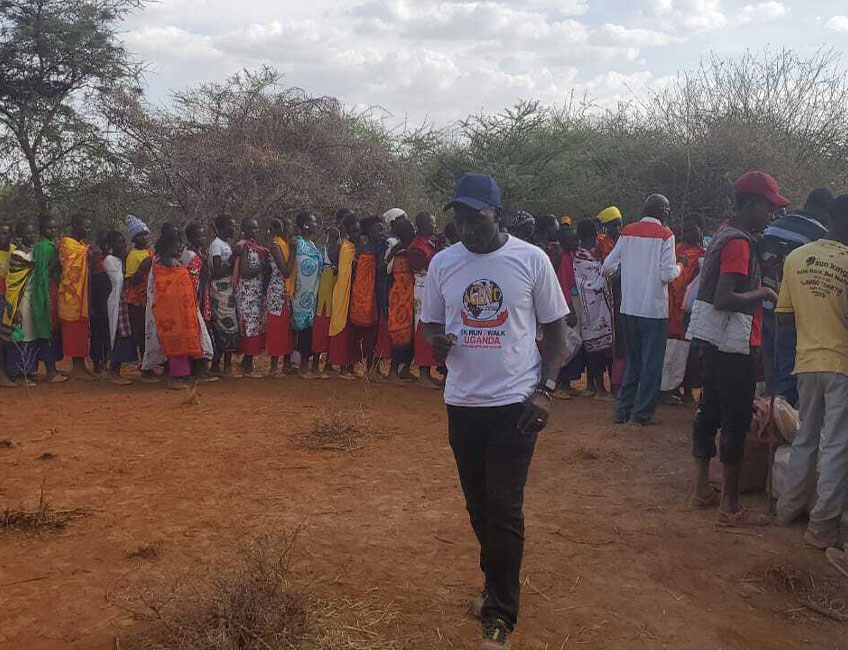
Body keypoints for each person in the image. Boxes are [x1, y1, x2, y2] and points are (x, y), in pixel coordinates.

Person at [421, 173, 571, 650]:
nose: (466, 226)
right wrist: (436, 340)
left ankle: (499, 617)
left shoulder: (531, 260)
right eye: (459, 217)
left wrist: (545, 390)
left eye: (476, 216)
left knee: (504, 509)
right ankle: (494, 586)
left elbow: (558, 332)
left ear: (497, 213)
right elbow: (429, 323)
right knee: (479, 507)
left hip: (515, 405)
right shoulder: (445, 263)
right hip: (463, 404)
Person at [687, 171, 787, 526]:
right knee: (735, 419)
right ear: (751, 204)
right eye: (768, 207)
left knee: (709, 410)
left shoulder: (725, 235)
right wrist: (763, 293)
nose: (771, 215)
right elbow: (725, 297)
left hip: (714, 340)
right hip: (735, 344)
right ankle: (729, 506)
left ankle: (701, 489)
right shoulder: (740, 243)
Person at [774, 194, 848, 548]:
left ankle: (787, 510)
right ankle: (822, 527)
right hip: (841, 368)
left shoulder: (796, 258)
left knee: (806, 437)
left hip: (806, 364)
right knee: (835, 445)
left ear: (828, 217)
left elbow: (783, 317)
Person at [603, 194, 681, 426]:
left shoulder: (627, 231)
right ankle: (641, 414)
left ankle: (622, 411)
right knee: (651, 364)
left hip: (629, 308)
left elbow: (608, 266)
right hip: (654, 310)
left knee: (633, 361)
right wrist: (680, 267)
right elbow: (667, 274)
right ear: (664, 212)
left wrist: (626, 273)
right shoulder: (666, 235)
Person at [761, 188, 833, 407]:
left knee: (771, 366)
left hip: (766, 304)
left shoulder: (773, 227)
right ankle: (786, 421)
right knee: (791, 369)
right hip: (796, 311)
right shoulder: (820, 235)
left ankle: (770, 419)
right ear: (826, 211)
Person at [143, 225, 213, 390]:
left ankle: (180, 375)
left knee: (179, 344)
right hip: (169, 313)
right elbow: (166, 291)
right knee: (172, 344)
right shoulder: (164, 266)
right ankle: (173, 378)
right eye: (177, 245)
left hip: (180, 312)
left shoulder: (171, 263)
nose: (181, 247)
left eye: (182, 244)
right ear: (168, 246)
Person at [662, 217, 707, 405]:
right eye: (689, 230)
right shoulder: (676, 252)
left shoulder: (704, 253)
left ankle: (688, 389)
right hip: (673, 307)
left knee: (691, 351)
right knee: (674, 350)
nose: (694, 233)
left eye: (696, 229)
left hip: (692, 309)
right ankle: (669, 388)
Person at [573, 219, 614, 400]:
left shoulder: (592, 252)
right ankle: (600, 389)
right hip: (592, 309)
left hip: (598, 308)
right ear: (595, 232)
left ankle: (600, 387)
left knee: (597, 347)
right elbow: (598, 275)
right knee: (596, 348)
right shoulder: (582, 257)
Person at [409, 211, 443, 389]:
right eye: (431, 223)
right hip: (422, 290)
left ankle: (428, 372)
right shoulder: (416, 246)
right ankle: (423, 373)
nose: (435, 227)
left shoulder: (429, 244)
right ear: (421, 226)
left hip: (431, 288)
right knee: (423, 328)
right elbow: (421, 266)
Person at [57, 212, 94, 379]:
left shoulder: (81, 244)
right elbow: (68, 264)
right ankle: (76, 367)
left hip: (83, 295)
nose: (87, 229)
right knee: (73, 330)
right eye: (85, 226)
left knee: (82, 330)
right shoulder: (67, 243)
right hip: (71, 296)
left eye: (88, 226)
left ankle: (83, 364)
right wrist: (86, 254)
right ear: (75, 226)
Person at [233, 217, 269, 378]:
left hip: (255, 292)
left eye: (256, 228)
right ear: (244, 229)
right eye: (251, 228)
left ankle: (248, 361)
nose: (254, 231)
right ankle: (247, 364)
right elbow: (246, 271)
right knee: (249, 325)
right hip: (246, 292)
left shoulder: (256, 248)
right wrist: (263, 266)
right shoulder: (243, 247)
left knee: (255, 325)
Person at [290, 211, 323, 379]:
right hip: (298, 293)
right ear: (305, 225)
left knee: (307, 329)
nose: (317, 224)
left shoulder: (312, 244)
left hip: (311, 294)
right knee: (299, 329)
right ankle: (299, 366)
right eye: (314, 221)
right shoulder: (296, 243)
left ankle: (302, 364)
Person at [348, 215, 382, 378]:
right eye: (377, 227)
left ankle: (373, 366)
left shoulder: (379, 247)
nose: (380, 231)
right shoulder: (363, 250)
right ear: (368, 230)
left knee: (375, 335)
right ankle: (364, 366)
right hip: (364, 296)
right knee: (365, 334)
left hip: (375, 295)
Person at [209, 215, 241, 376]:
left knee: (230, 326)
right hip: (220, 292)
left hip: (228, 292)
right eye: (231, 226)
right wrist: (233, 258)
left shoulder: (224, 244)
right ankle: (218, 365)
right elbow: (216, 271)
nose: (233, 229)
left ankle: (226, 365)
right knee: (222, 327)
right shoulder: (216, 245)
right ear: (221, 227)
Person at [184, 221, 216, 382]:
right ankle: (199, 371)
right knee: (200, 334)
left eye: (204, 235)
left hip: (203, 297)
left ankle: (200, 370)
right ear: (189, 238)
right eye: (198, 236)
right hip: (195, 298)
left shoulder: (198, 253)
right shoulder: (190, 255)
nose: (202, 238)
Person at [125, 215, 155, 382]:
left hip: (151, 299)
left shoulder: (151, 252)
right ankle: (145, 368)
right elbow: (131, 281)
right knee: (142, 335)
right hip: (138, 301)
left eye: (145, 234)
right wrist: (142, 269)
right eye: (140, 235)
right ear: (134, 238)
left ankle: (151, 365)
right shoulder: (133, 255)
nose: (144, 238)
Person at [102, 230, 135, 385]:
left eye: (123, 242)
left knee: (124, 335)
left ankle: (116, 369)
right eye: (118, 243)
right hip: (115, 304)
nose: (122, 246)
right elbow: (117, 280)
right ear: (110, 246)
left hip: (123, 304)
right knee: (118, 336)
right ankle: (113, 371)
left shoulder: (121, 261)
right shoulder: (110, 260)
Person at [266, 218, 297, 377]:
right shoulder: (276, 246)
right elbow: (285, 271)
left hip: (287, 291)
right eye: (290, 227)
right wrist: (292, 252)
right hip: (278, 290)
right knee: (277, 327)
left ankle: (286, 365)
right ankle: (273, 366)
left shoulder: (285, 244)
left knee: (286, 327)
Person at [387, 219, 416, 383]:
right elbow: (387, 268)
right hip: (400, 294)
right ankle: (393, 371)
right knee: (400, 332)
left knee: (410, 332)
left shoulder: (408, 249)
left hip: (408, 293)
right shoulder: (398, 250)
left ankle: (405, 368)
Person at [90, 230, 112, 376]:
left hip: (108, 304)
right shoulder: (94, 260)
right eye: (102, 243)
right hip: (97, 305)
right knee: (97, 335)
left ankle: (104, 362)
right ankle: (97, 363)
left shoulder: (111, 260)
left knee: (107, 335)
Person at [0, 223, 16, 387]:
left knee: (9, 335)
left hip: (12, 297)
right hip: (1, 297)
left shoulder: (13, 249)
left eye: (7, 233)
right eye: (1, 233)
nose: (4, 236)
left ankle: (10, 370)